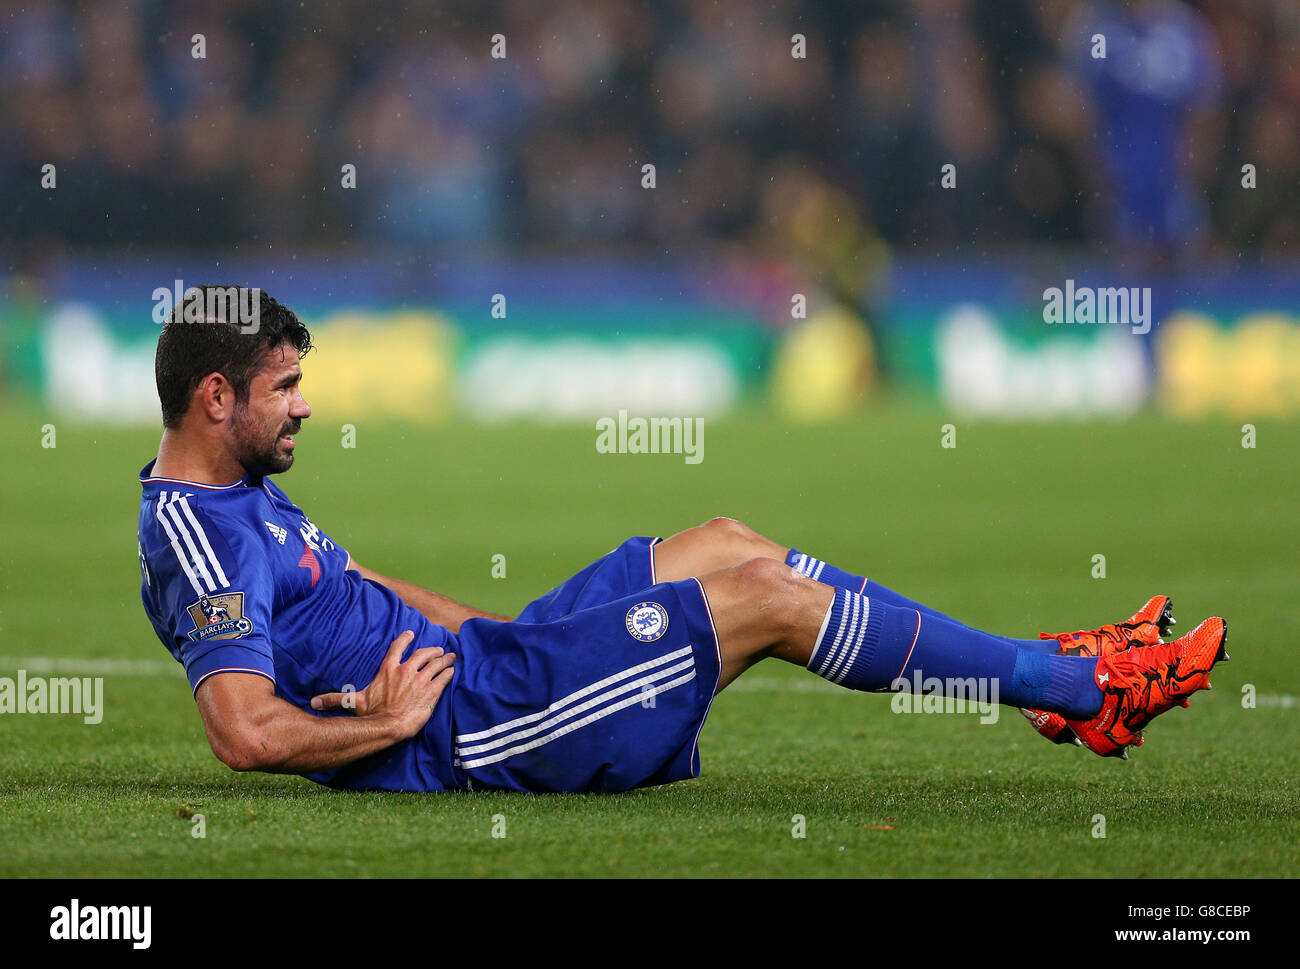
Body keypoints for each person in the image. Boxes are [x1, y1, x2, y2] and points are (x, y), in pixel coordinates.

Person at [137, 287, 1228, 794]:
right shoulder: (201, 539)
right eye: (286, 389)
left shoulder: (239, 489)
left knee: (720, 541)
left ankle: (1051, 673)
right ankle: (1081, 689)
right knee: (766, 600)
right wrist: (388, 725)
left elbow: (363, 583)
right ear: (217, 396)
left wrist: (516, 634)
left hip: (491, 668)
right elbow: (243, 733)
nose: (305, 408)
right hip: (469, 731)